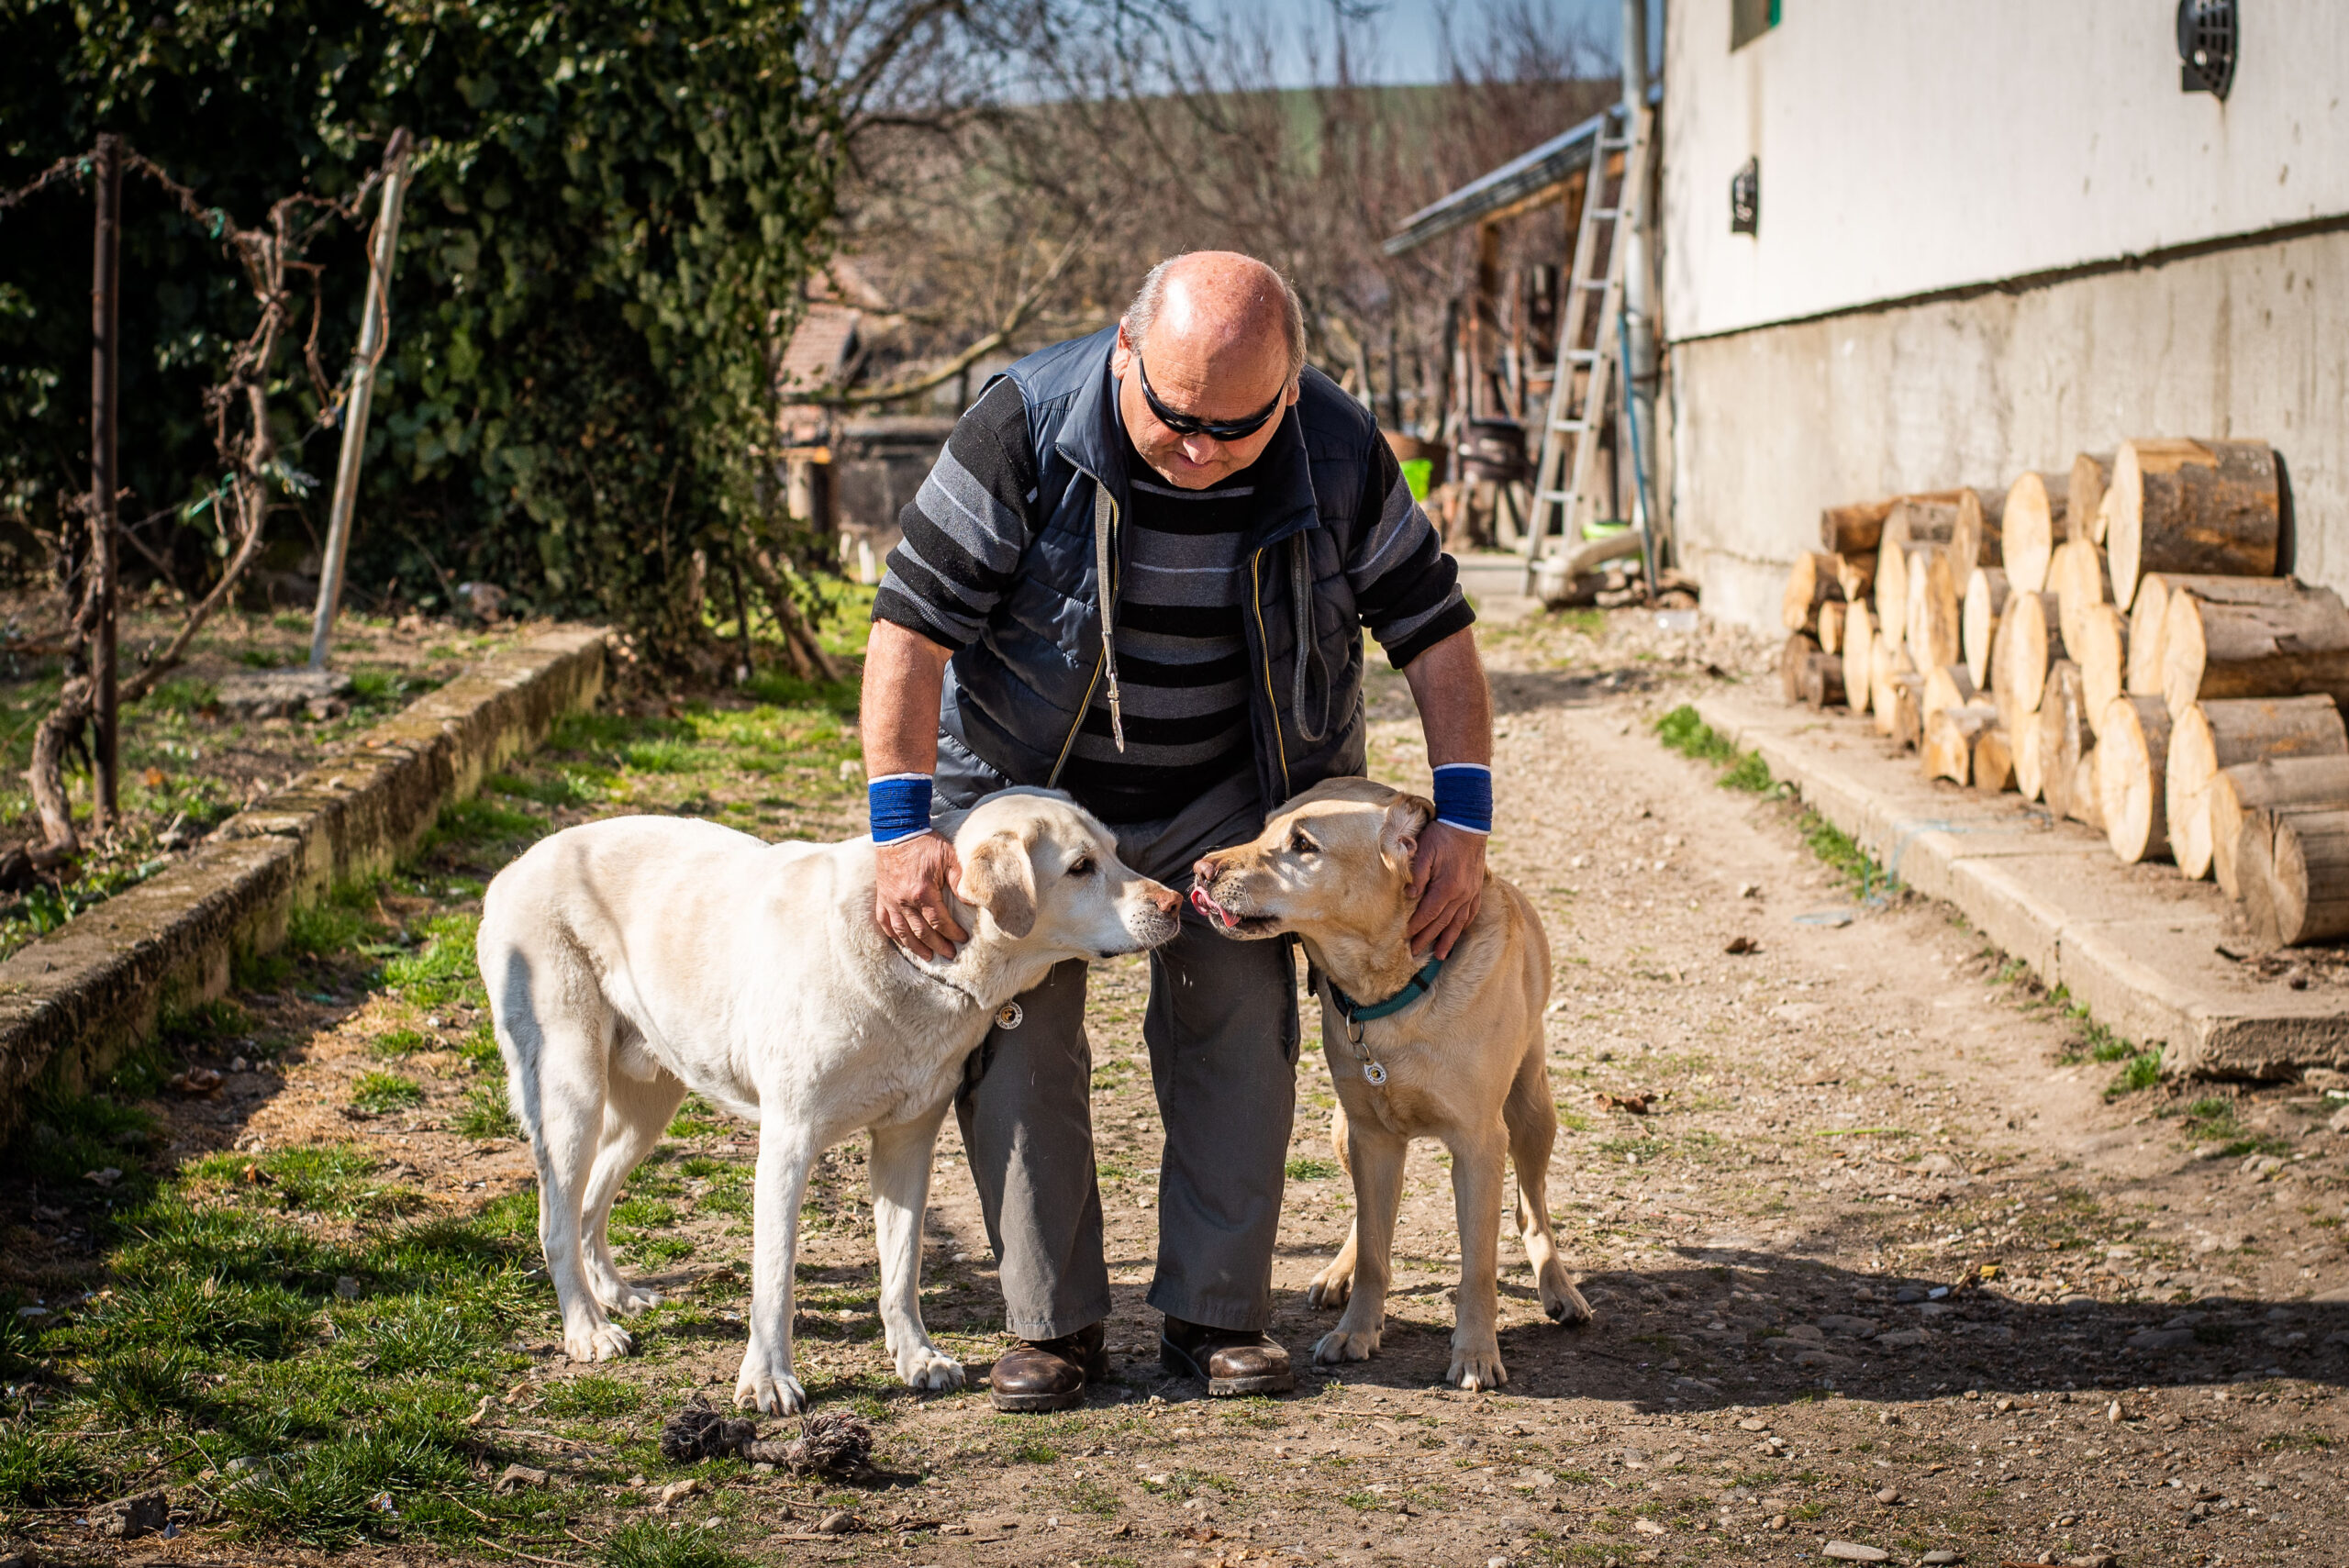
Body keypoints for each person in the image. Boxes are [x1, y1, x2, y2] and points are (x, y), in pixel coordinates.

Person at [860, 250, 1497, 1411]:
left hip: (1235, 784)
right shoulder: (1021, 426)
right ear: (1125, 350)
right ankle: (1050, 1323)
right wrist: (900, 830)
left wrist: (1465, 817)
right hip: (1037, 780)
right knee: (1020, 1027)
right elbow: (911, 623)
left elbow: (1433, 627)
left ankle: (1215, 1314)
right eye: (1175, 416)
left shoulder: (1339, 446)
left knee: (1237, 1017)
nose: (1200, 449)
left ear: (1289, 390)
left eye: (1236, 427)